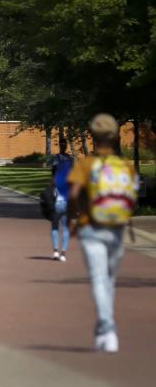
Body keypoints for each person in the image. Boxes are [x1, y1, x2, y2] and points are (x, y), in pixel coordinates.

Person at [67, 113, 138, 354]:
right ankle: (104, 329)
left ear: (93, 136)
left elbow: (74, 194)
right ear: (116, 135)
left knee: (99, 279)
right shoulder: (126, 167)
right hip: (117, 228)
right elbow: (132, 199)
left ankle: (107, 329)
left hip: (91, 227)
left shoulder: (87, 164)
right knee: (109, 280)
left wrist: (74, 219)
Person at [51, 141, 73, 261]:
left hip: (57, 197)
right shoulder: (70, 160)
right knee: (65, 226)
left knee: (54, 226)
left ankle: (55, 251)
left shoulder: (56, 159)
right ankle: (63, 253)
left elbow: (53, 172)